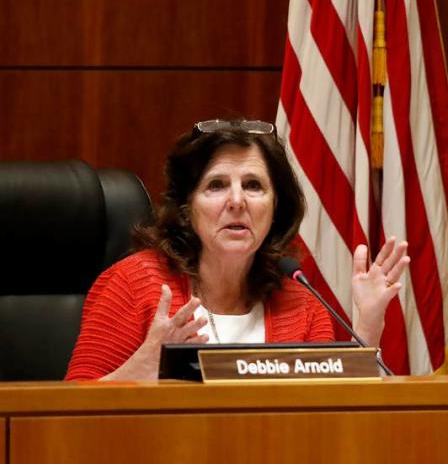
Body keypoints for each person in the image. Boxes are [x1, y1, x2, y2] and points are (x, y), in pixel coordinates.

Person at [66, 119, 408, 380]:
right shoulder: (133, 284)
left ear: (275, 209)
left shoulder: (300, 302)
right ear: (187, 208)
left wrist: (367, 326)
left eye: (253, 186)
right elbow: (65, 417)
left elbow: (330, 417)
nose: (236, 201)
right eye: (216, 185)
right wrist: (142, 368)